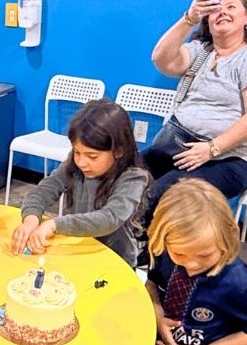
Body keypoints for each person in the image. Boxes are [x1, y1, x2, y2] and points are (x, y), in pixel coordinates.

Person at [146, 0, 247, 213]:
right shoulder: (199, 52)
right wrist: (189, 18)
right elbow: (161, 59)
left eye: (231, 7)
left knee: (163, 196)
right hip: (177, 146)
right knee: (125, 181)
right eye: (215, 10)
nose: (222, 13)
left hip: (229, 159)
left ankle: (150, 247)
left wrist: (211, 149)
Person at [142, 179, 247, 345]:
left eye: (204, 256)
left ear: (228, 237)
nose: (191, 264)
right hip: (151, 339)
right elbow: (152, 283)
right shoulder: (165, 252)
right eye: (180, 254)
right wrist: (158, 314)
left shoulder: (238, 283)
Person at [9, 98, 149, 266]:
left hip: (115, 262)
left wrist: (55, 224)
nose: (81, 162)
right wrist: (30, 218)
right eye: (77, 152)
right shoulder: (75, 163)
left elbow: (109, 218)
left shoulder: (133, 177)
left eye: (92, 156)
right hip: (78, 250)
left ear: (118, 151)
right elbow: (45, 189)